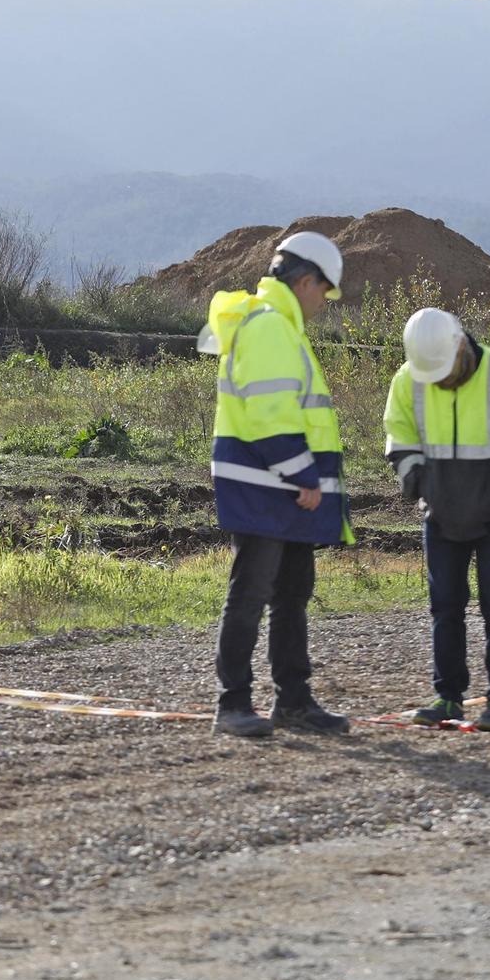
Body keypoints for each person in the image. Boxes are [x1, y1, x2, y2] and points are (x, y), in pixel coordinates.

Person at [202, 231, 353, 738]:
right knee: (251, 593)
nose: (322, 304)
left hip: (275, 487)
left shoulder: (280, 327)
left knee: (290, 594)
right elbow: (271, 412)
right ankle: (234, 703)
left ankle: (293, 702)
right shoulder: (270, 328)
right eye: (323, 293)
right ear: (305, 281)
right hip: (268, 485)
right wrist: (302, 476)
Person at [384, 307, 490, 733]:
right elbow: (400, 437)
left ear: (459, 345)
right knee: (445, 608)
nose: (438, 380)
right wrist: (418, 484)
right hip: (439, 516)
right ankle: (448, 697)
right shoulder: (408, 378)